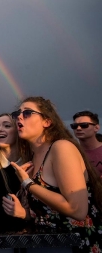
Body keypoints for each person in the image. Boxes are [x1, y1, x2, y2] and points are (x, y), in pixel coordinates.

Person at [6, 97, 102, 253]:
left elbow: (77, 210)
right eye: (17, 113)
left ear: (47, 122)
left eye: (28, 112)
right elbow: (49, 214)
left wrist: (28, 184)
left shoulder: (62, 148)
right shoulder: (31, 158)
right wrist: (25, 214)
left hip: (76, 244)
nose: (19, 117)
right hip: (49, 244)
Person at [71, 110, 102, 177]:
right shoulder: (72, 152)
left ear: (96, 128)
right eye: (74, 126)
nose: (78, 128)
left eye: (84, 125)